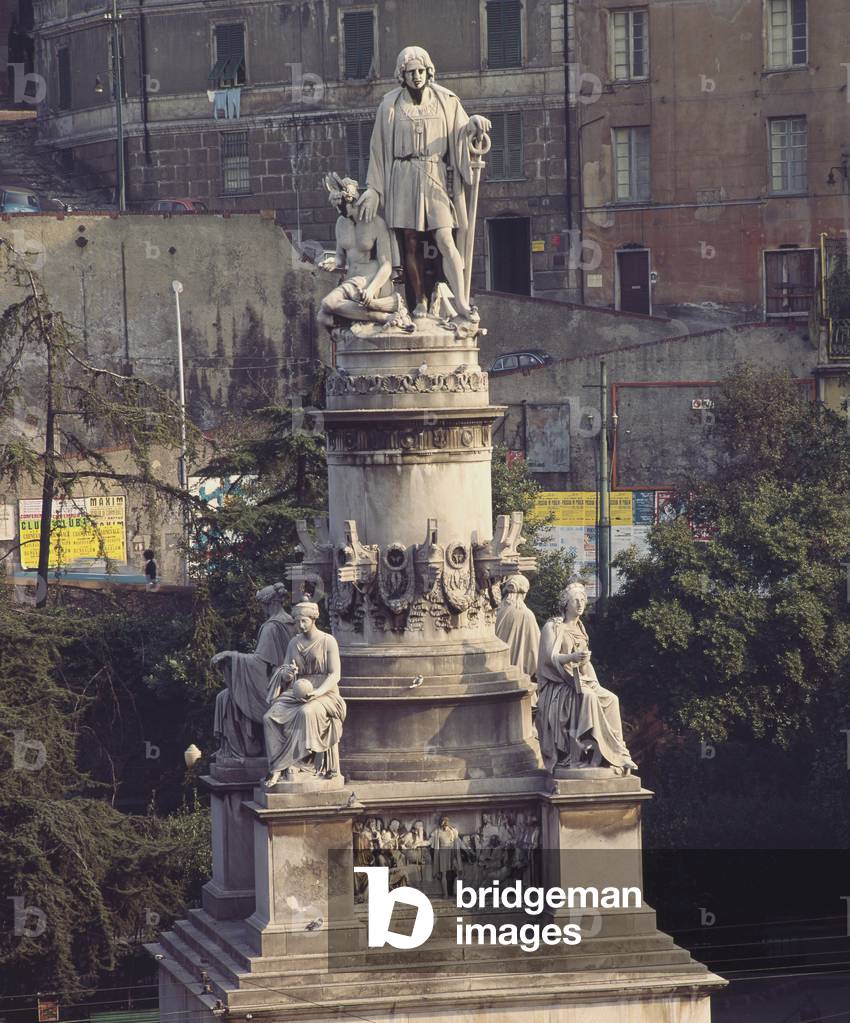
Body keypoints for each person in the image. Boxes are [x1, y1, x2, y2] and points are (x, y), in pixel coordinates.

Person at [356, 45, 491, 327]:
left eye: (420, 71)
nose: (416, 76)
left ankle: (461, 300)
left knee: (445, 237)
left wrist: (473, 125)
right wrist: (373, 188)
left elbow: (461, 130)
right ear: (401, 75)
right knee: (411, 242)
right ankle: (420, 299)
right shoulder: (389, 106)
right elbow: (378, 149)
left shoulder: (447, 101)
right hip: (402, 176)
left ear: (428, 71)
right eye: (410, 72)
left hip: (434, 174)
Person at [536, 581, 637, 774]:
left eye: (583, 599)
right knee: (589, 699)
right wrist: (572, 658)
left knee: (611, 699)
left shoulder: (581, 629)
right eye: (576, 600)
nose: (581, 603)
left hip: (580, 681)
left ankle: (619, 753)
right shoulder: (553, 627)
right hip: (557, 685)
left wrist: (594, 683)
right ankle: (586, 754)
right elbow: (549, 659)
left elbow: (585, 665)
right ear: (566, 603)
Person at [262, 601, 346, 787]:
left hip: (326, 693)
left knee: (306, 712)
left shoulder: (327, 641)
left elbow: (335, 674)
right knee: (270, 716)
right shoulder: (294, 642)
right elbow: (284, 670)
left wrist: (318, 692)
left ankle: (299, 765)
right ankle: (277, 766)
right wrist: (287, 673)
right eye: (297, 621)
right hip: (298, 690)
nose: (300, 626)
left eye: (304, 621)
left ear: (313, 619)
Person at [317, 173, 413, 334]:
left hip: (370, 279)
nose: (337, 210)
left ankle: (379, 316)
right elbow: (341, 257)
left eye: (339, 206)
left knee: (328, 303)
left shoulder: (376, 223)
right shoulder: (340, 223)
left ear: (351, 201)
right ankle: (383, 315)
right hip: (351, 280)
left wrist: (371, 289)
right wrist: (334, 262)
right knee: (322, 317)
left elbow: (386, 266)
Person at [210, 583, 294, 760]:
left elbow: (259, 663)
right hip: (283, 681)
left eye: (262, 606)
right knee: (225, 696)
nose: (261, 610)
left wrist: (231, 655)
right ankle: (235, 750)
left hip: (274, 685)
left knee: (225, 698)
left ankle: (242, 750)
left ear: (269, 603)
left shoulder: (271, 627)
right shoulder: (290, 621)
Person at [495, 574, 541, 684]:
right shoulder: (526, 615)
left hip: (494, 672)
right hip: (517, 677)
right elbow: (535, 652)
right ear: (523, 592)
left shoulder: (495, 611)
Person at [430, 816, 462, 898]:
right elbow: (430, 840)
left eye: (446, 822)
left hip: (452, 853)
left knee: (457, 871)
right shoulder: (437, 832)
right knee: (443, 874)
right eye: (443, 821)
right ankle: (445, 894)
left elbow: (457, 839)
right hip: (442, 853)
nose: (444, 823)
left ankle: (455, 891)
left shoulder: (453, 831)